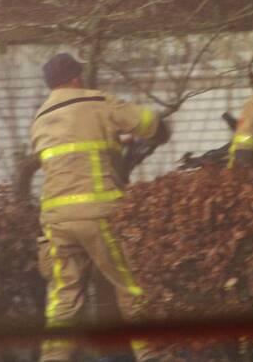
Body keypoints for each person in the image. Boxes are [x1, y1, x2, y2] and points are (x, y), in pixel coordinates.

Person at [31, 52, 169, 362]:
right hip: (98, 213)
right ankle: (152, 356)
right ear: (77, 78)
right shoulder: (96, 101)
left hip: (55, 220)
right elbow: (148, 123)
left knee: (63, 300)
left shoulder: (40, 117)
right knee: (131, 286)